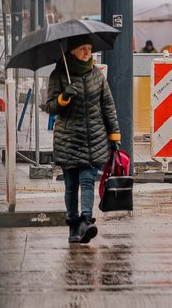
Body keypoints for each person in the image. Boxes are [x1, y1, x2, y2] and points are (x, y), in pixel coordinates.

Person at [45, 35, 121, 244]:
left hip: (94, 138)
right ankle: (73, 226)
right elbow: (50, 106)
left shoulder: (96, 75)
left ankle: (86, 221)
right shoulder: (59, 75)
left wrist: (114, 134)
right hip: (69, 138)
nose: (88, 53)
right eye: (83, 49)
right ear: (71, 51)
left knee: (88, 180)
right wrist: (64, 97)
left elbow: (108, 106)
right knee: (71, 185)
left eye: (89, 48)